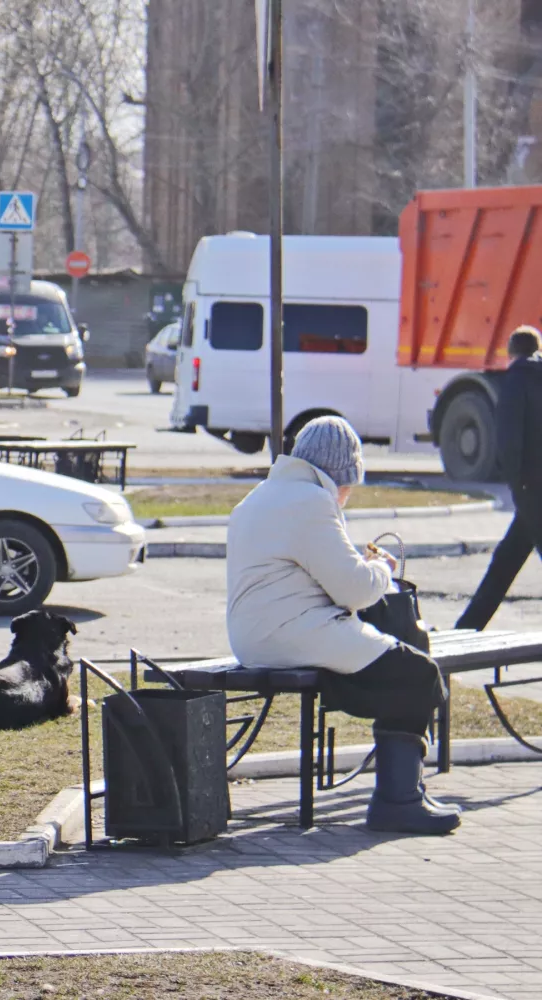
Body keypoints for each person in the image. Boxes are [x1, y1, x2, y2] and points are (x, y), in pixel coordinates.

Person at [226, 416, 459, 835]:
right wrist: (381, 569)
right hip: (295, 632)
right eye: (351, 485)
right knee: (418, 673)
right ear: (340, 477)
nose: (348, 497)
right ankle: (398, 801)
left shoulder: (261, 496)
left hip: (255, 637)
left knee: (388, 671)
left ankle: (404, 793)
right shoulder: (312, 502)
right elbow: (353, 590)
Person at [456, 327, 542, 630]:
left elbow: (508, 440)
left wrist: (516, 483)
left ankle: (467, 628)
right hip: (534, 491)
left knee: (506, 561)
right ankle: (467, 628)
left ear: (510, 351)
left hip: (532, 488)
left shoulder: (515, 381)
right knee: (506, 560)